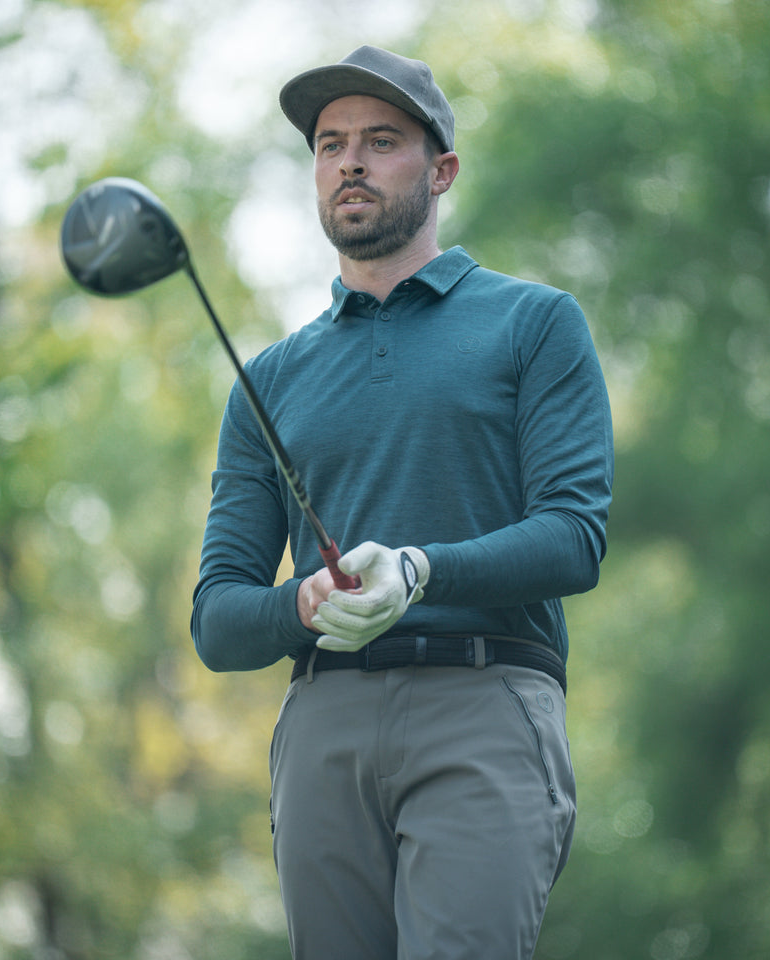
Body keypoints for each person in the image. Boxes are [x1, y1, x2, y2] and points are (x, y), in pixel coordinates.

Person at [190, 44, 613, 960]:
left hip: (486, 696)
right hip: (323, 725)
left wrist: (423, 570)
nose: (350, 161)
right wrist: (299, 603)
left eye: (381, 141)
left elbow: (575, 537)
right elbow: (218, 620)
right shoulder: (267, 379)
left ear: (441, 169)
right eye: (330, 143)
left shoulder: (533, 323)